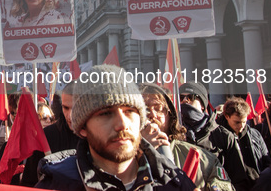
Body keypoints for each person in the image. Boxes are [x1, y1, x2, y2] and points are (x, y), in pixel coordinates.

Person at [36, 64, 196, 190]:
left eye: (130, 111)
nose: (122, 124)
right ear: (82, 127)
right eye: (105, 113)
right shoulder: (56, 185)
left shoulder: (175, 183)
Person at [139, 83, 234, 191]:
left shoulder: (204, 160)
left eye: (158, 108)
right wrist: (141, 150)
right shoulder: (118, 161)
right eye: (144, 109)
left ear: (170, 116)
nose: (152, 115)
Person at [21, 82, 81, 187]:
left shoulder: (96, 135)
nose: (70, 115)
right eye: (66, 108)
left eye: (75, 107)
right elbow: (29, 181)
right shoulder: (46, 136)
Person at [216, 97, 271, 191]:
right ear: (226, 116)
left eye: (244, 122)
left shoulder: (255, 134)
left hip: (256, 185)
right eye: (237, 122)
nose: (241, 126)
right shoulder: (217, 137)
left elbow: (267, 162)